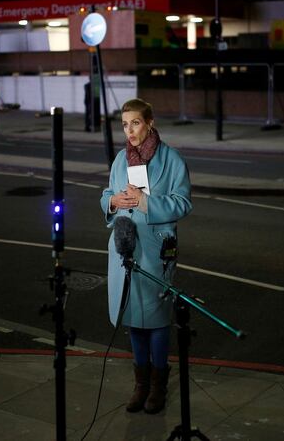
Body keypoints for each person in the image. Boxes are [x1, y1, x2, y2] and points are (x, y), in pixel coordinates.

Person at [99, 98, 193, 414]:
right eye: (125, 125)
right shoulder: (120, 160)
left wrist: (144, 203)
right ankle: (140, 385)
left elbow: (182, 203)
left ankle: (158, 386)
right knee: (133, 319)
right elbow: (104, 195)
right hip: (125, 249)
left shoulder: (172, 160)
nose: (130, 131)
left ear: (149, 121)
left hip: (155, 250)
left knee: (155, 320)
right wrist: (114, 201)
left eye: (135, 123)